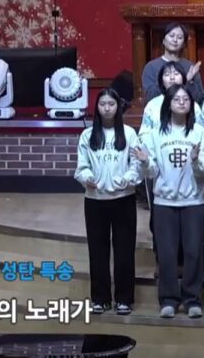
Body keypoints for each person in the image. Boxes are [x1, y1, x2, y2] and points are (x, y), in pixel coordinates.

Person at [139, 85, 204, 319]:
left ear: (191, 105)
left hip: (194, 201)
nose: (181, 102)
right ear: (168, 104)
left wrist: (196, 161)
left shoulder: (199, 133)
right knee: (167, 253)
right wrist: (145, 161)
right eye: (176, 99)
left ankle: (192, 299)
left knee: (193, 251)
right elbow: (152, 172)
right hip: (164, 201)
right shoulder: (155, 134)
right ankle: (168, 299)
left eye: (186, 99)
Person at [74, 88, 143, 316]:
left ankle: (124, 299)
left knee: (124, 250)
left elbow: (136, 164)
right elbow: (82, 166)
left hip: (123, 199)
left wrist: (129, 179)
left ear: (118, 107)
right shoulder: (87, 135)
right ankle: (100, 298)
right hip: (95, 200)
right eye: (102, 104)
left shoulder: (129, 134)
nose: (107, 108)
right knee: (98, 251)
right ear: (97, 107)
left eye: (111, 104)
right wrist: (87, 178)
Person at [141, 22, 204, 104]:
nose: (175, 40)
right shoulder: (151, 67)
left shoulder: (190, 67)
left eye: (179, 37)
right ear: (163, 40)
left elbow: (200, 100)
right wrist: (182, 81)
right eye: (171, 36)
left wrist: (189, 82)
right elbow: (150, 97)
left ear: (183, 44)